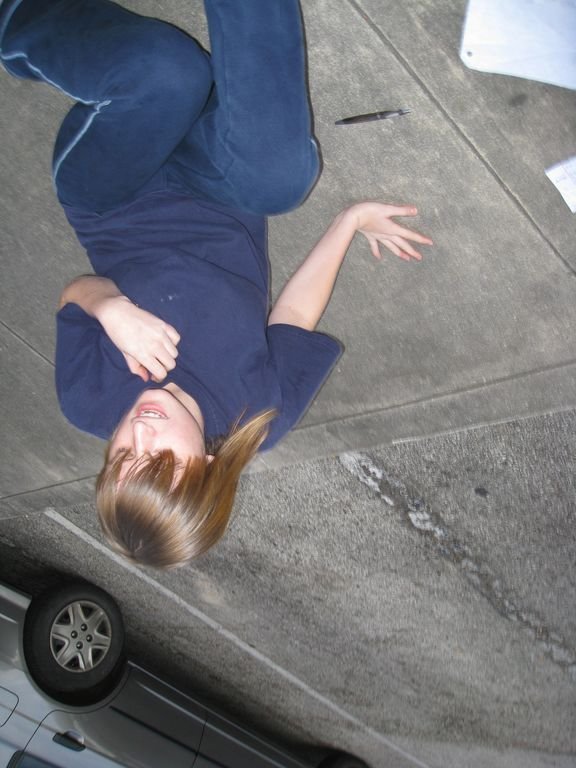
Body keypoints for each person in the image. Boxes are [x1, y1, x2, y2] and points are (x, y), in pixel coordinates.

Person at [0, 0, 432, 568]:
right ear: (205, 467)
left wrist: (110, 308)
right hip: (220, 188)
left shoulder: (87, 401)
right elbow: (293, 318)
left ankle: (15, 24)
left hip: (111, 196)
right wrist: (348, 222)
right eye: (161, 461)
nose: (141, 434)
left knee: (171, 71)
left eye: (122, 457)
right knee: (284, 178)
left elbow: (74, 295)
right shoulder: (256, 417)